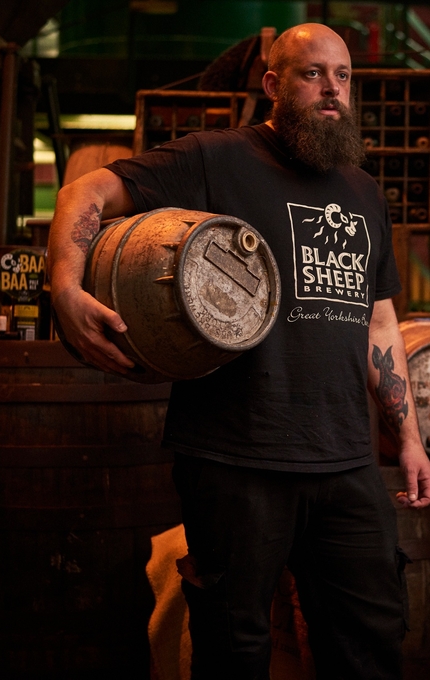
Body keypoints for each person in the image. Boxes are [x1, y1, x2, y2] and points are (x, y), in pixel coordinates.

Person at [48, 23, 430, 680]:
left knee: (369, 648)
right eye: (313, 74)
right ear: (275, 85)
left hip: (344, 463)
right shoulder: (215, 159)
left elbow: (381, 324)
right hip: (234, 458)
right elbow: (82, 192)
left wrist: (412, 439)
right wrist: (63, 286)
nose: (332, 89)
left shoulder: (363, 192)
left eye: (342, 75)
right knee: (234, 650)